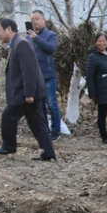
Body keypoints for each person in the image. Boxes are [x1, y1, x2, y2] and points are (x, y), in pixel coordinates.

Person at [0, 18, 56, 161]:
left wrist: (29, 94)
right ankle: (48, 153)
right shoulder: (16, 43)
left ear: (8, 29)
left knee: (8, 116)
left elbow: (29, 71)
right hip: (28, 92)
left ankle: (9, 146)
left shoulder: (21, 43)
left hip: (26, 93)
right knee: (37, 123)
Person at [27, 10, 62, 142]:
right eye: (32, 19)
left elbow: (51, 48)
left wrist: (36, 38)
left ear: (44, 20)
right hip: (35, 77)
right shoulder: (28, 38)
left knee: (52, 104)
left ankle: (56, 130)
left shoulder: (50, 34)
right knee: (40, 106)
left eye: (37, 19)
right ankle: (44, 130)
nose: (35, 22)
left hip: (48, 76)